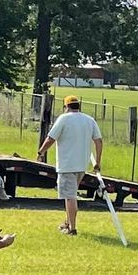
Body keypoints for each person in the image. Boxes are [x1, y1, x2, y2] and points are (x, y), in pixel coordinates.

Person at [39, 93, 104, 235]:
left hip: (67, 165)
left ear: (66, 107)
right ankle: (67, 223)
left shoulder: (64, 119)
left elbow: (51, 138)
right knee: (71, 195)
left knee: (70, 197)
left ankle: (72, 229)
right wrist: (97, 162)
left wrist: (41, 152)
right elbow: (98, 141)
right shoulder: (89, 120)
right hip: (82, 165)